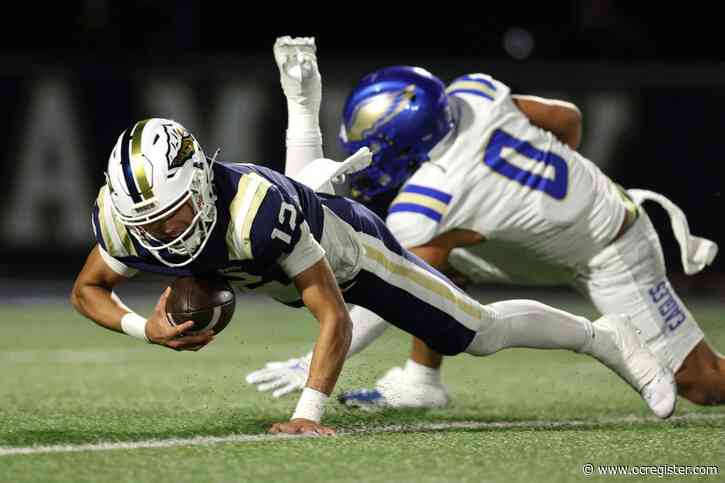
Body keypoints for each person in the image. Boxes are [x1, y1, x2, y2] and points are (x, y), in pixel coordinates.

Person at [246, 37, 721, 412]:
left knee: (703, 385)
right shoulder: (472, 94)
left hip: (611, 250)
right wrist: (551, 197)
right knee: (434, 258)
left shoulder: (429, 201)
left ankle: (422, 378)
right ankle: (421, 381)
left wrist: (317, 360)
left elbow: (391, 290)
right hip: (542, 242)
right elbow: (567, 119)